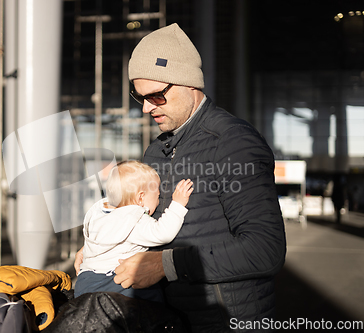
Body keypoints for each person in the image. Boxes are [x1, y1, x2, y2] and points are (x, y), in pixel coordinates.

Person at [76, 23, 287, 332]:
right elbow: (142, 222)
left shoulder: (232, 142)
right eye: (140, 97)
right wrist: (105, 246)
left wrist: (166, 266)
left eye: (157, 96)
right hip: (169, 320)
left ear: (189, 84)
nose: (147, 107)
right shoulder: (154, 153)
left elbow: (264, 250)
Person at [74, 160, 193, 303]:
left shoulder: (99, 213)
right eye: (157, 196)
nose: (158, 200)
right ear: (140, 198)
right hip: (114, 282)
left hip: (84, 281)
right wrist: (178, 204)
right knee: (152, 301)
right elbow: (163, 233)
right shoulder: (134, 219)